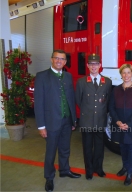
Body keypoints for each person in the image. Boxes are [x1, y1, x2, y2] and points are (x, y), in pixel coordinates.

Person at [34, 49, 81, 192]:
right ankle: (49, 177)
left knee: (65, 148)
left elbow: (70, 99)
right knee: (50, 151)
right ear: (51, 59)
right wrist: (41, 126)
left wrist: (73, 120)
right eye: (56, 58)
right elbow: (39, 103)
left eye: (62, 59)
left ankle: (65, 169)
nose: (59, 61)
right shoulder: (42, 76)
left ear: (65, 62)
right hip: (51, 122)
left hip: (66, 120)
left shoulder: (68, 76)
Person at [75, 53, 112, 180]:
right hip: (86, 121)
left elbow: (108, 100)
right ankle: (89, 170)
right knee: (87, 147)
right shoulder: (81, 82)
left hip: (101, 120)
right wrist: (88, 110)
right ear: (87, 66)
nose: (93, 66)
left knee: (99, 147)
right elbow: (78, 101)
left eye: (96, 64)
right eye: (91, 64)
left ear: (100, 65)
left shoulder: (107, 82)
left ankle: (99, 168)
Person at [109, 64, 132, 186]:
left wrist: (128, 124)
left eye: (128, 72)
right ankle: (124, 167)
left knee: (131, 148)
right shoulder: (116, 90)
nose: (126, 75)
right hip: (119, 124)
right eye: (124, 73)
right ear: (121, 74)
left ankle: (130, 172)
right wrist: (118, 122)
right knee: (122, 147)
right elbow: (111, 107)